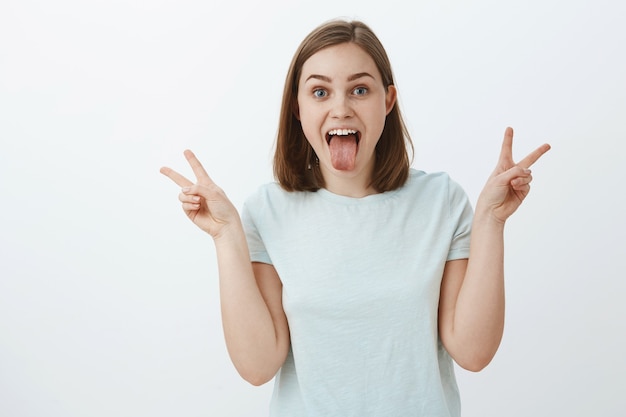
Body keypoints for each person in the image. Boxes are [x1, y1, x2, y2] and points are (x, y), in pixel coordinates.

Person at [160, 19, 550, 417]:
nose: (340, 108)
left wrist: (491, 221)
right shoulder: (267, 211)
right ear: (298, 107)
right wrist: (226, 235)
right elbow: (257, 366)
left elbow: (473, 351)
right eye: (320, 91)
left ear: (388, 100)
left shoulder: (441, 201)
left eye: (360, 90)